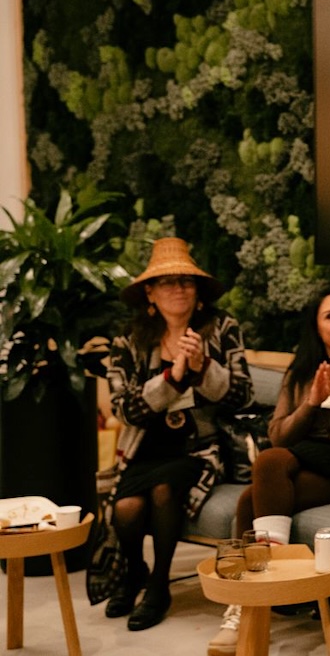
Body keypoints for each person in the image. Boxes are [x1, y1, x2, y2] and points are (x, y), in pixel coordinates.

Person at [208, 286, 330, 655]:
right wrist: (312, 401)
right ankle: (258, 594)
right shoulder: (300, 372)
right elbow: (278, 434)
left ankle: (244, 605)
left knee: (254, 495)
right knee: (267, 467)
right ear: (316, 327)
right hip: (308, 458)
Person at [96, 237, 253, 631]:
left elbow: (241, 395)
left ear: (198, 291)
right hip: (143, 448)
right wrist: (173, 376)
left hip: (198, 450)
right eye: (167, 282)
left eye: (186, 281)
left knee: (165, 490)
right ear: (149, 292)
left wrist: (204, 368)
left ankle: (159, 585)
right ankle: (135, 573)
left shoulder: (222, 328)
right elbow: (125, 409)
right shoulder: (128, 342)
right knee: (126, 509)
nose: (179, 288)